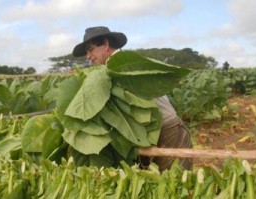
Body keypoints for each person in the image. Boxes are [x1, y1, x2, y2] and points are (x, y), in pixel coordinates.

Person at [72, 26, 193, 171]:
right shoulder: (108, 71)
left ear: (105, 44)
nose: (88, 56)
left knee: (175, 184)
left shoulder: (123, 65)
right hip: (148, 135)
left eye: (90, 49)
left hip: (169, 131)